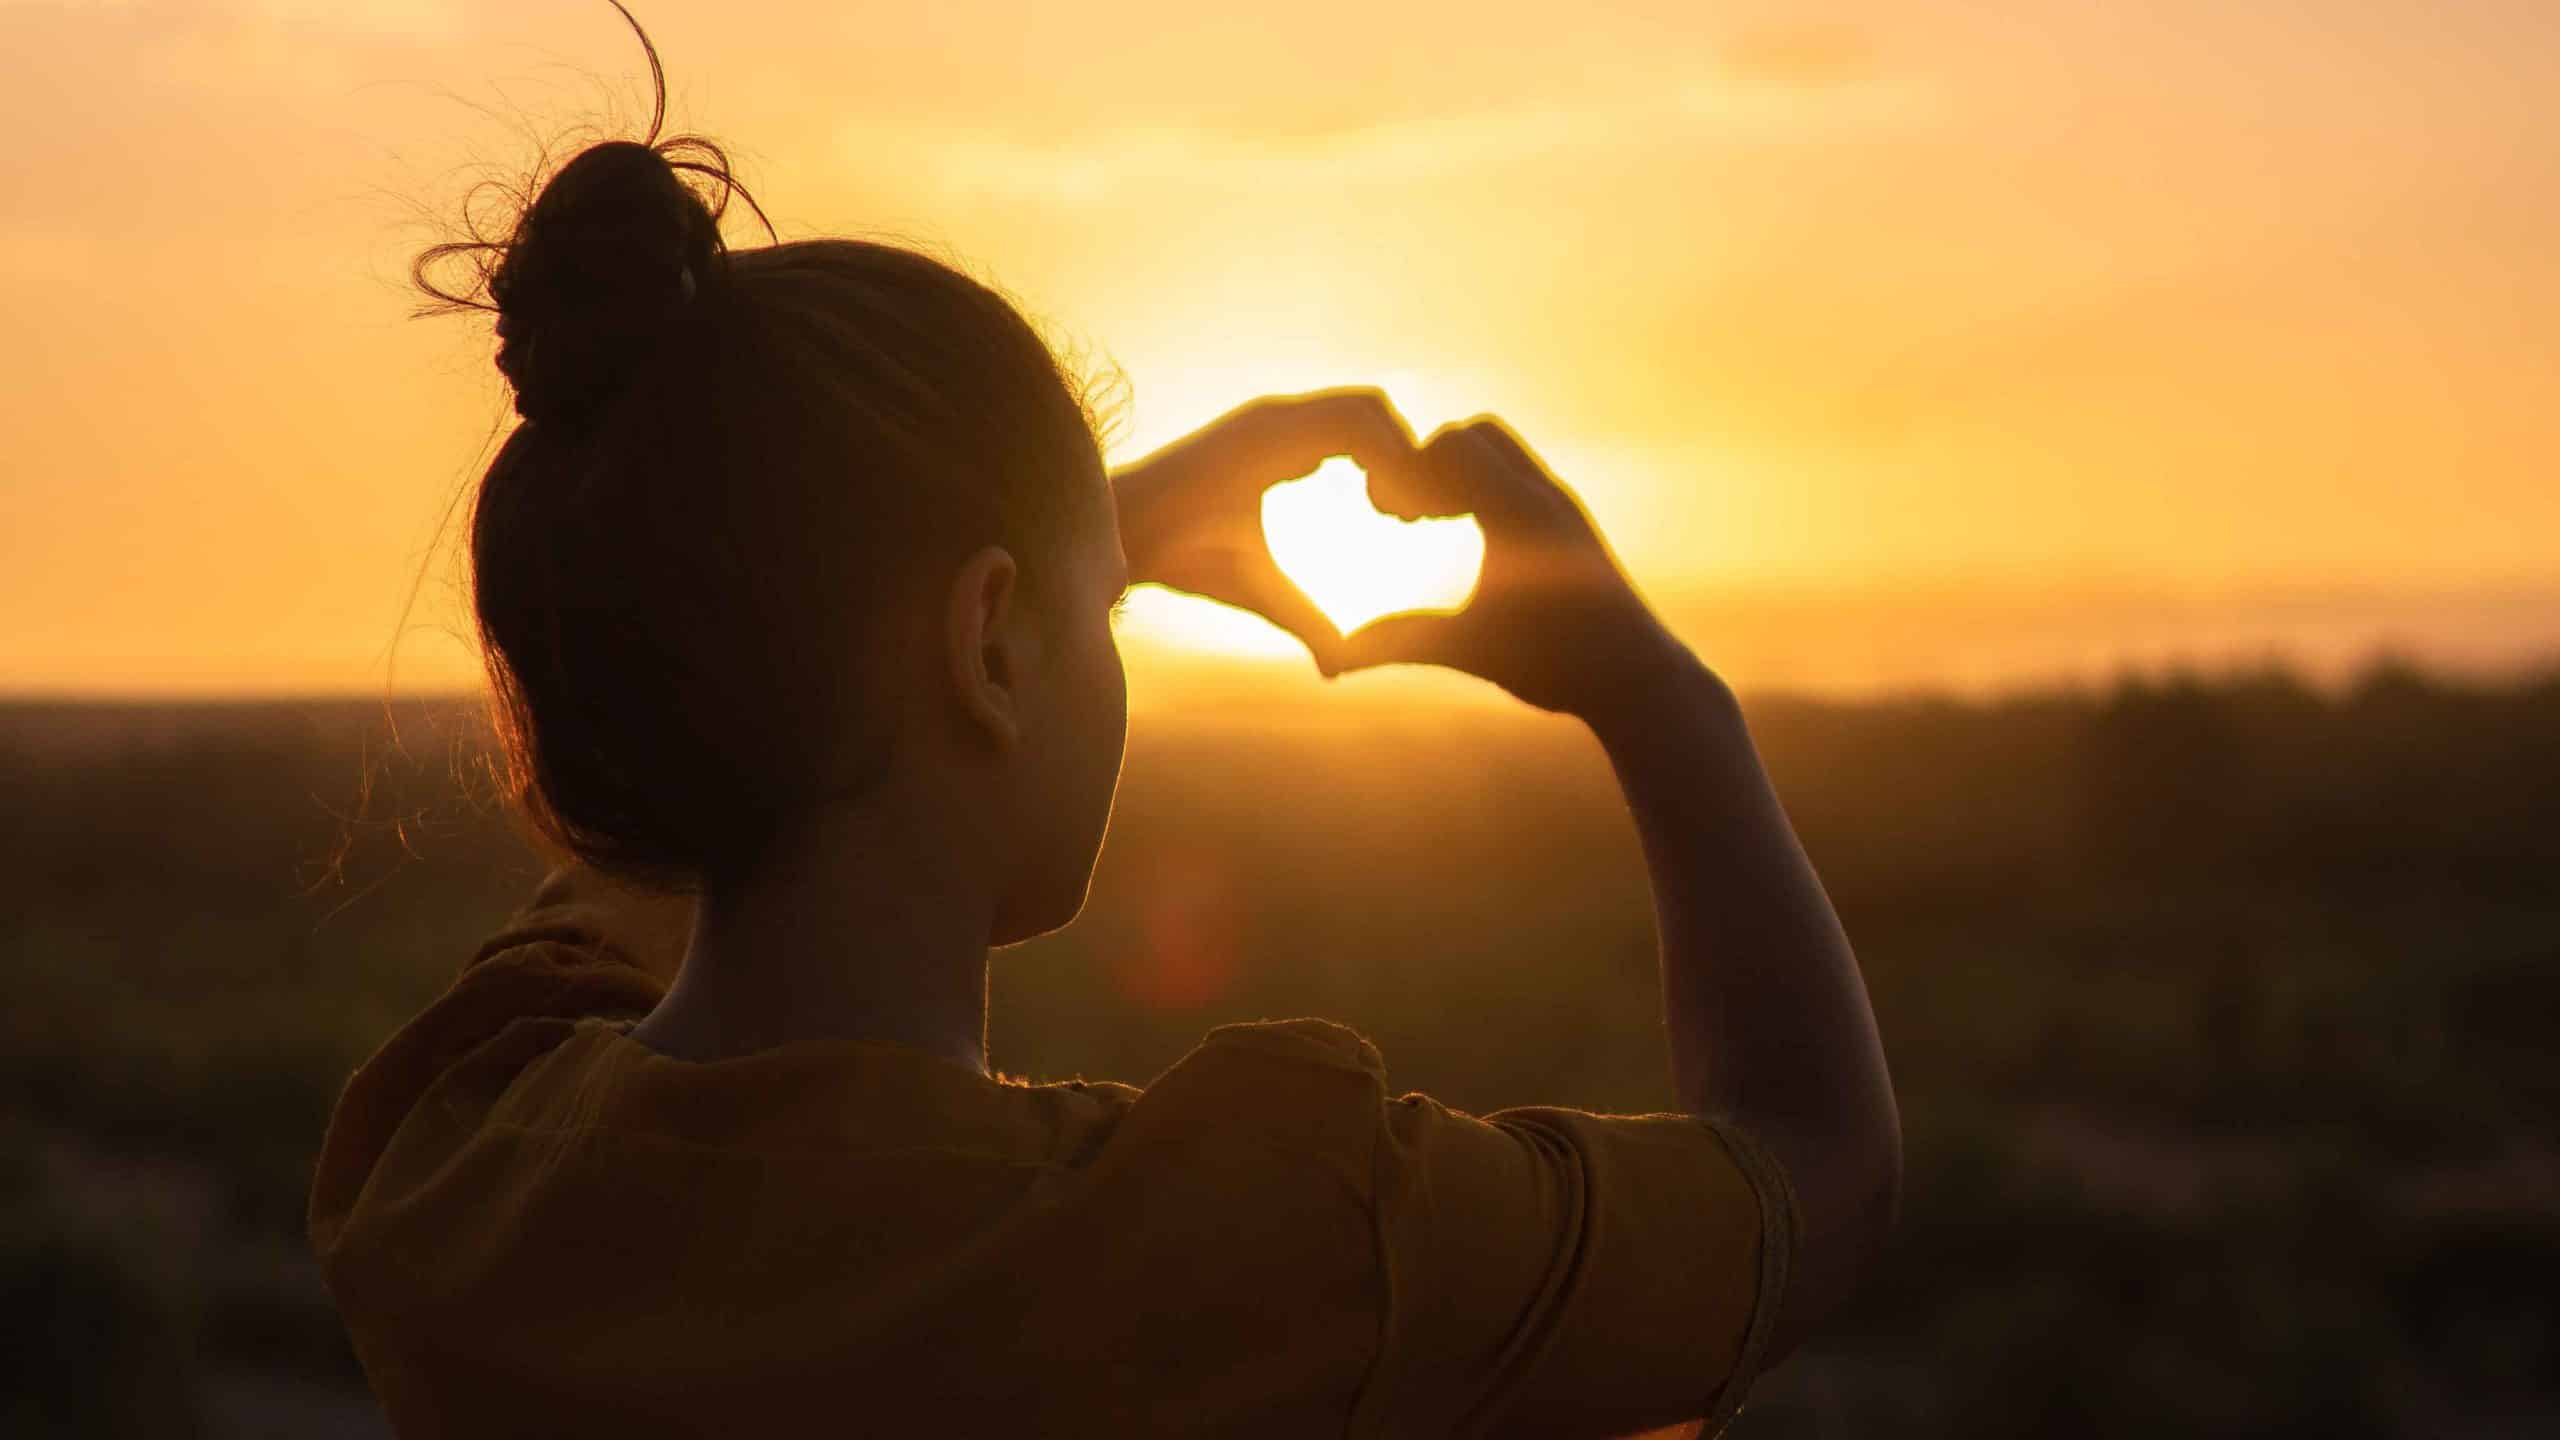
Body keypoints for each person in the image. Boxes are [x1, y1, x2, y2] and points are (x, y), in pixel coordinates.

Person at [308, 15, 1899, 1437]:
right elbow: (1812, 1178)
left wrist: (1049, 541)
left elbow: (706, 741)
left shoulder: (458, 1165)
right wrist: (1658, 695)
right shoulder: (1258, 1252)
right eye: (1104, 607)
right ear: (991, 644)